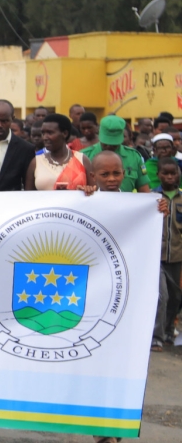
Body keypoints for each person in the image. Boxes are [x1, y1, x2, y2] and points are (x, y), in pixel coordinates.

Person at [154, 157, 182, 352]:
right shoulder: (150, 197)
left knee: (175, 297)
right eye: (166, 173)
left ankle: (169, 330)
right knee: (161, 296)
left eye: (173, 173)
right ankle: (156, 337)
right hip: (156, 257)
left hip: (178, 256)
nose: (170, 176)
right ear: (158, 175)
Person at [81, 116, 151, 193]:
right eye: (106, 143)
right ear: (99, 133)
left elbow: (144, 190)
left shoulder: (134, 156)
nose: (109, 146)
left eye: (114, 144)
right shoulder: (84, 156)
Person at [26, 113, 93, 191]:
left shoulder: (81, 159)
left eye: (50, 133)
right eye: (43, 133)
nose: (44, 137)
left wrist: (88, 190)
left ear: (65, 133)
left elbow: (94, 191)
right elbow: (29, 196)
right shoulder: (36, 162)